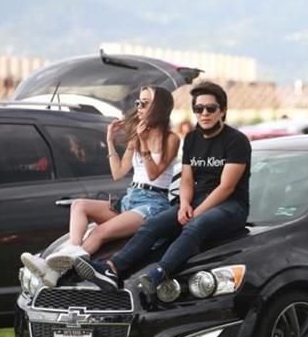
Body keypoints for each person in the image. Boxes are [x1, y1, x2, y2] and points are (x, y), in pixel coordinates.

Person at [75, 82, 250, 297]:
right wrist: (185, 203)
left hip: (230, 206)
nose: (204, 113)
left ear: (222, 110)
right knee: (154, 225)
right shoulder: (193, 139)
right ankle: (112, 269)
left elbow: (226, 187)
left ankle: (159, 273)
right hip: (195, 202)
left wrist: (197, 212)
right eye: (198, 109)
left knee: (195, 226)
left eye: (210, 108)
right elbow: (186, 178)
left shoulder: (236, 141)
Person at [20, 86, 179, 286]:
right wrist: (110, 141)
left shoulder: (171, 138)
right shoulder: (136, 137)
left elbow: (154, 173)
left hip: (153, 203)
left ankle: (53, 268)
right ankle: (59, 262)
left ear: (159, 106)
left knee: (98, 232)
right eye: (138, 102)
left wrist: (144, 143)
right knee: (79, 205)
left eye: (144, 103)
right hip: (131, 198)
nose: (139, 107)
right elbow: (118, 173)